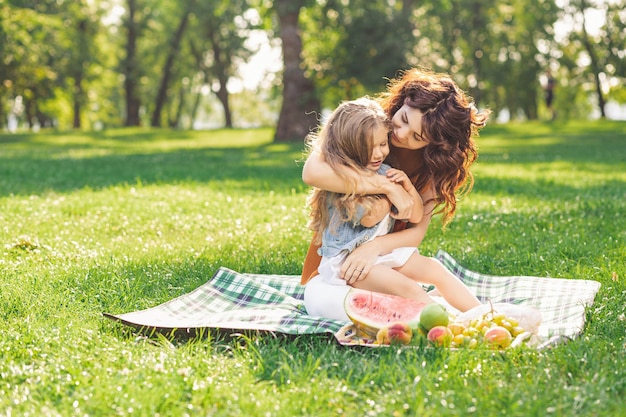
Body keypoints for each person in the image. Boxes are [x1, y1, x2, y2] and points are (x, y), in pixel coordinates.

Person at [301, 68, 491, 321]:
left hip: (382, 249)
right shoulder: (369, 123)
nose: (400, 134)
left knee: (433, 270)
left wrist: (376, 246)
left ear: (434, 143)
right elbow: (311, 172)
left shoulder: (429, 167)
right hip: (344, 254)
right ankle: (451, 322)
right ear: (403, 102)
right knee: (404, 288)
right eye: (402, 119)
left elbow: (416, 230)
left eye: (417, 136)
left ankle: (486, 317)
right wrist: (386, 186)